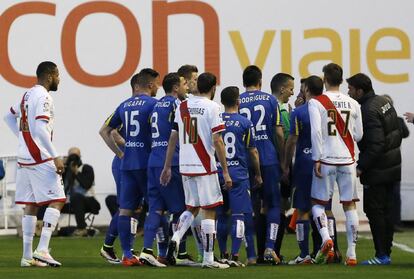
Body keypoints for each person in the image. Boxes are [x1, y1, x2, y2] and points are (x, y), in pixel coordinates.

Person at [160, 72, 231, 269]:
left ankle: (175, 237)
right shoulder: (213, 107)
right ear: (213, 88)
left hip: (185, 165)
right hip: (205, 165)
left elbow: (173, 137)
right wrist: (225, 171)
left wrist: (167, 166)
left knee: (191, 207)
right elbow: (217, 140)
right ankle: (208, 259)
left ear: (198, 86)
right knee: (209, 210)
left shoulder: (183, 106)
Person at [3, 61, 65, 267]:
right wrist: (55, 155)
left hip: (24, 157)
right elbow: (39, 129)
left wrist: (22, 139)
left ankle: (27, 256)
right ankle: (43, 249)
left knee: (30, 206)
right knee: (58, 199)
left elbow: (9, 116)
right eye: (57, 75)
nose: (59, 79)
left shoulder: (27, 94)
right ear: (49, 76)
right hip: (41, 157)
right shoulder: (45, 96)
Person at [99, 68, 160, 266]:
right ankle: (159, 251)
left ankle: (127, 254)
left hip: (127, 163)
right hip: (147, 163)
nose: (158, 87)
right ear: (150, 85)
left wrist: (120, 153)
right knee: (157, 207)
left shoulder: (123, 105)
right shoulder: (154, 104)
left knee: (126, 209)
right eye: (156, 84)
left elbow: (104, 131)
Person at [139, 72, 198, 267]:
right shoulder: (177, 105)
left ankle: (148, 250)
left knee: (155, 208)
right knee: (180, 208)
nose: (187, 87)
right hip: (171, 161)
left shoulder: (156, 105)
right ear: (175, 88)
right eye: (184, 84)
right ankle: (180, 253)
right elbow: (185, 132)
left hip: (153, 160)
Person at [308, 63, 363, 266]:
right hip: (347, 160)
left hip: (326, 159)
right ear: (341, 80)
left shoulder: (317, 102)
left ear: (324, 79)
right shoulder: (353, 103)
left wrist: (317, 158)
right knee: (350, 205)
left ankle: (326, 238)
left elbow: (316, 133)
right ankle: (352, 253)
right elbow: (359, 135)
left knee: (318, 204)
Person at [347, 73, 402, 265]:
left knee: (375, 211)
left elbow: (376, 144)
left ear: (360, 91)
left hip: (378, 170)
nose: (349, 92)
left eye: (351, 89)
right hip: (392, 166)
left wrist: (361, 166)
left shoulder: (367, 110)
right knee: (386, 212)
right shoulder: (383, 102)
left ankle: (381, 255)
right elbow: (397, 132)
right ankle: (386, 252)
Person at [239, 65, 285, 264]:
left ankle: (250, 254)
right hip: (268, 158)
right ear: (260, 81)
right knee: (273, 203)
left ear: (244, 82)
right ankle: (269, 247)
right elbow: (279, 132)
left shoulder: (238, 101)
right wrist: (283, 160)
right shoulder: (270, 100)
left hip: (245, 160)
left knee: (250, 207)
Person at [215, 86, 262, 267]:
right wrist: (257, 173)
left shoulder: (216, 120)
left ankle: (223, 254)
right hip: (238, 174)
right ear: (238, 101)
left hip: (218, 172)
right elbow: (253, 151)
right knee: (238, 215)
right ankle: (234, 256)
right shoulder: (245, 123)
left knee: (220, 215)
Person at [283, 76, 322, 264]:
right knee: (325, 209)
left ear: (306, 89)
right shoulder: (328, 109)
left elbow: (292, 140)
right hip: (325, 163)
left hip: (305, 162)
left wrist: (285, 165)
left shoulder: (299, 112)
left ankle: (304, 254)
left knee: (302, 210)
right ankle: (329, 249)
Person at [270, 73, 295, 260]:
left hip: (264, 162)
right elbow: (285, 138)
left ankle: (261, 251)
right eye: (291, 89)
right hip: (279, 163)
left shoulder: (265, 105)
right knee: (279, 206)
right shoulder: (281, 110)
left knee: (263, 206)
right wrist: (285, 165)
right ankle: (274, 250)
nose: (292, 93)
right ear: (282, 89)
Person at [383, 95, 409, 232]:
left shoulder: (397, 120)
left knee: (393, 194)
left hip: (391, 162)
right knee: (388, 194)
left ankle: (394, 222)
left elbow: (406, 133)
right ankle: (390, 223)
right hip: (387, 162)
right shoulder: (393, 120)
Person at [62, 147, 100, 237]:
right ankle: (43, 228)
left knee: (76, 196)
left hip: (89, 201)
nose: (73, 159)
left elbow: (86, 185)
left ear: (80, 157)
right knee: (49, 200)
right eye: (71, 156)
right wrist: (61, 169)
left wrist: (76, 173)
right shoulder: (66, 171)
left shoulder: (86, 168)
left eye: (75, 156)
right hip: (70, 202)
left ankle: (82, 228)